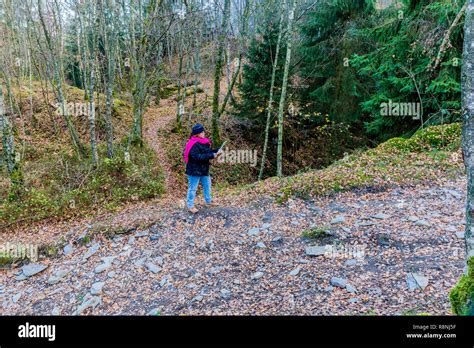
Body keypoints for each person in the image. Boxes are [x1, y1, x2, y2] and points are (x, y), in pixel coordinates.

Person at [183, 124, 221, 213]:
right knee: (192, 188)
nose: (204, 133)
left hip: (204, 169)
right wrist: (212, 155)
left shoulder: (204, 141)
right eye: (202, 132)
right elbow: (197, 156)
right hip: (194, 170)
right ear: (197, 134)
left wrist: (217, 151)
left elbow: (207, 152)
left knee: (207, 186)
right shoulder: (192, 144)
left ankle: (208, 202)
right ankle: (190, 206)